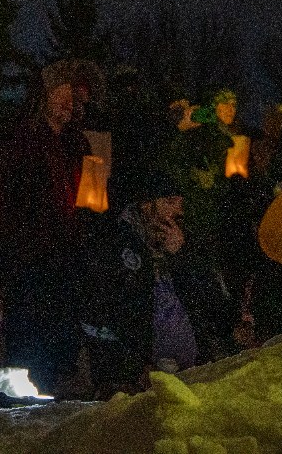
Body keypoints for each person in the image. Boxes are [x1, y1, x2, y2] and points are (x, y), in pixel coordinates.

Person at [0, 61, 92, 396]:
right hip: (30, 249)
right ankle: (23, 390)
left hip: (68, 248)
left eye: (70, 96)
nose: (67, 102)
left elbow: (90, 196)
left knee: (61, 322)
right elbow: (8, 191)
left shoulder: (76, 143)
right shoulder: (22, 138)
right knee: (28, 323)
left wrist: (88, 217)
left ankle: (57, 386)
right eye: (59, 93)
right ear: (42, 96)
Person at [77, 162, 199, 396]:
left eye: (180, 203)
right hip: (136, 379)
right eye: (169, 202)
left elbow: (204, 301)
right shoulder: (116, 245)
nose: (178, 211)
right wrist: (134, 368)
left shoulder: (181, 242)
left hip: (186, 372)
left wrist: (180, 257)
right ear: (146, 205)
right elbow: (102, 315)